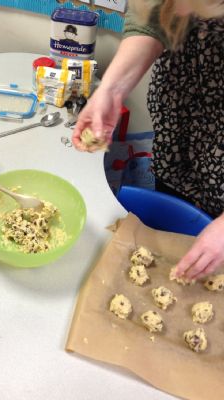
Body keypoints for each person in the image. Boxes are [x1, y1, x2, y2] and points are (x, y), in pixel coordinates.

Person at [72, 0, 224, 281]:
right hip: (182, 101)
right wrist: (111, 90)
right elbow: (152, 20)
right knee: (173, 192)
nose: (180, 15)